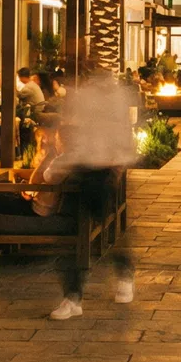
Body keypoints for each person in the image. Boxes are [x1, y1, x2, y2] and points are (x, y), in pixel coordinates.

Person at [49, 70, 137, 320]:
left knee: (104, 226)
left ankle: (124, 269)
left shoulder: (117, 97)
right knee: (71, 232)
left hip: (104, 169)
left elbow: (123, 132)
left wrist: (119, 164)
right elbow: (75, 130)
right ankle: (73, 297)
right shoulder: (83, 95)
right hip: (82, 166)